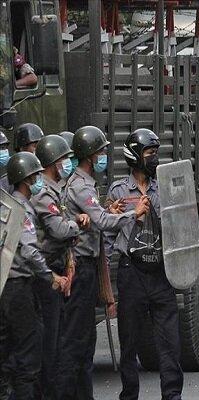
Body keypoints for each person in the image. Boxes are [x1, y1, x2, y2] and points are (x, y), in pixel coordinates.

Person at [54, 126, 149, 399]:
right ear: (90, 156)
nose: (104, 155)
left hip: (86, 267)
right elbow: (104, 224)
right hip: (80, 268)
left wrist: (108, 210)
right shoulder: (81, 186)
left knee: (85, 342)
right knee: (76, 342)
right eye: (101, 151)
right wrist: (134, 213)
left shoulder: (85, 184)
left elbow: (99, 217)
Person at [104, 129, 183, 400]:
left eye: (155, 154)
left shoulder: (165, 186)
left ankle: (172, 395)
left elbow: (180, 223)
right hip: (132, 271)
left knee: (170, 342)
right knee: (129, 342)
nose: (154, 159)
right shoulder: (118, 191)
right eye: (149, 154)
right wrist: (105, 284)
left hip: (161, 272)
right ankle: (130, 394)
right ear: (136, 157)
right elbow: (108, 233)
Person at [0, 152, 68, 399]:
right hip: (20, 289)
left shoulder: (5, 205)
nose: (40, 179)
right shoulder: (22, 211)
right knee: (30, 357)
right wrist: (51, 277)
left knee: (7, 354)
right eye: (36, 175)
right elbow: (29, 250)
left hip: (6, 288)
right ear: (26, 179)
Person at [32, 134, 88, 399]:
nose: (67, 162)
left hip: (57, 270)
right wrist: (77, 225)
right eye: (64, 158)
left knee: (60, 338)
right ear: (54, 162)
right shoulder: (44, 192)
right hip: (46, 275)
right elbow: (58, 229)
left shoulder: (56, 189)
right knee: (49, 344)